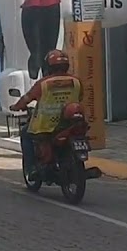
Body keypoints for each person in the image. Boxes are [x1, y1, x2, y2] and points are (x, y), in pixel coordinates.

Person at [10, 49, 82, 179]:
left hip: (45, 124)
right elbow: (80, 97)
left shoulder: (43, 84)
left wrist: (16, 106)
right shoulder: (76, 81)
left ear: (49, 66)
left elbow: (27, 98)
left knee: (25, 134)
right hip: (69, 123)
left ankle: (31, 169)